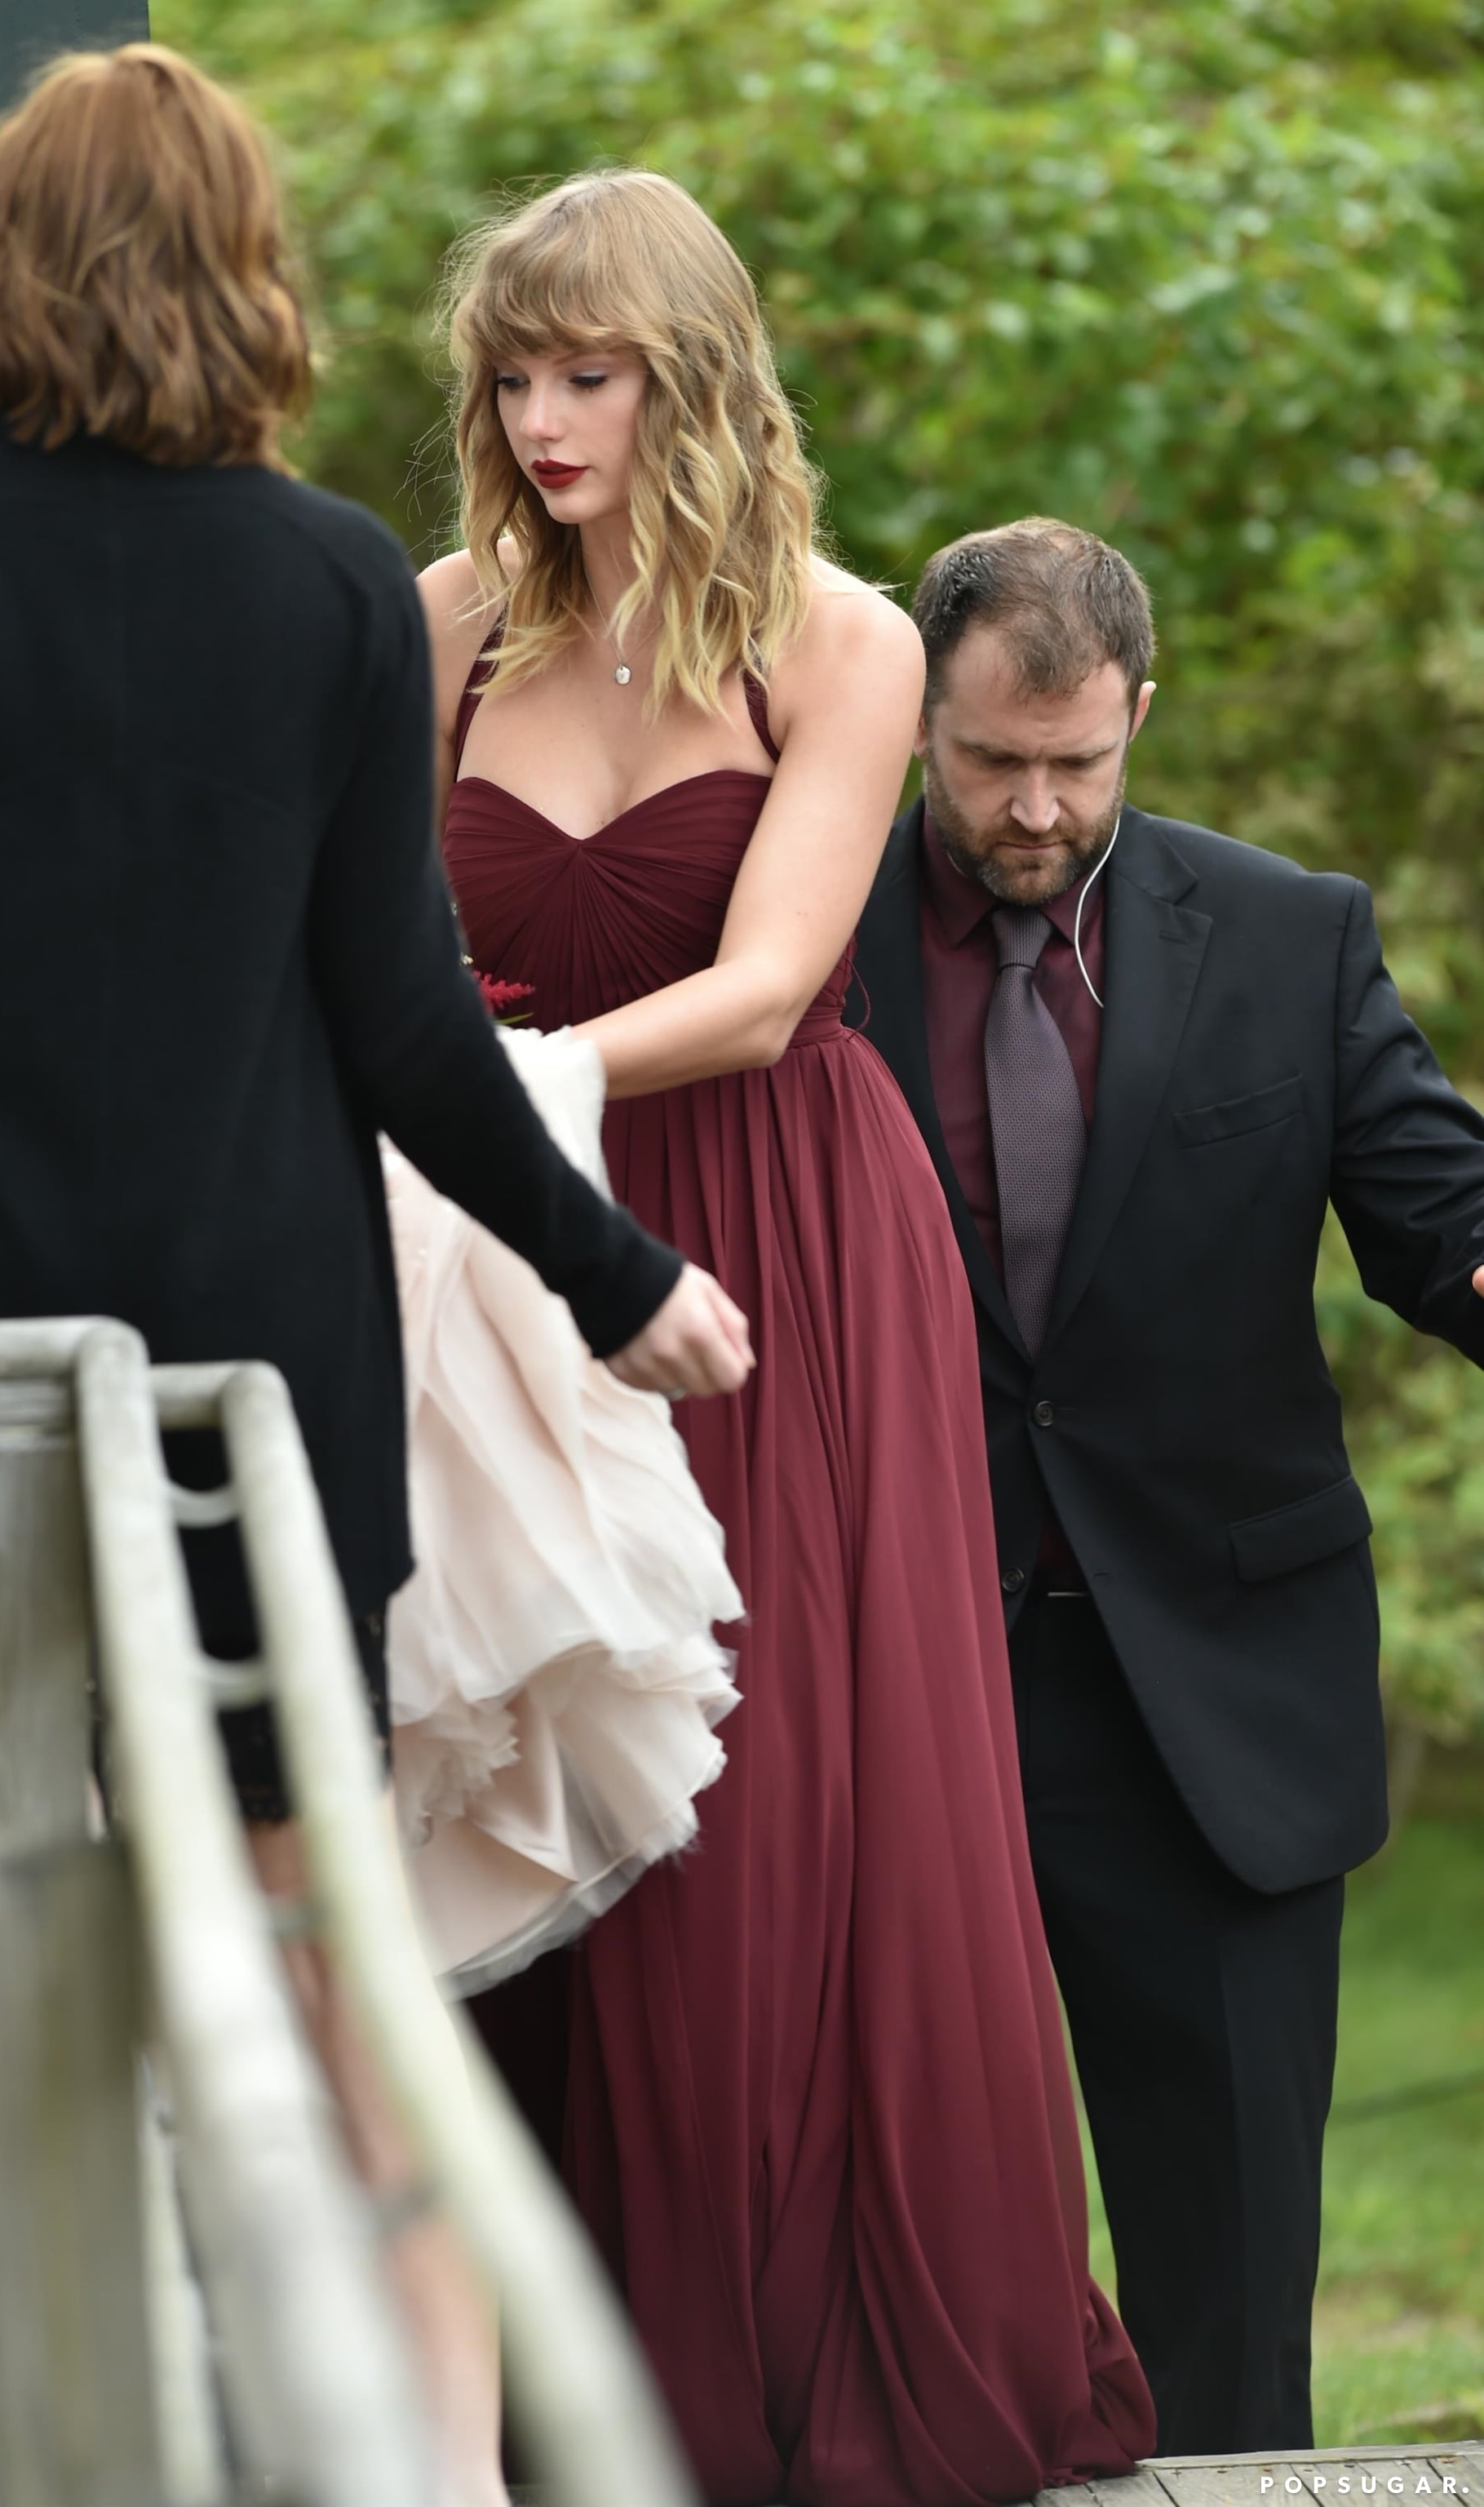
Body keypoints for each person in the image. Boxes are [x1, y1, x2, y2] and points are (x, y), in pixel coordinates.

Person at [0, 51, 751, 2507]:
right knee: (312, 1961)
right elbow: (408, 1030)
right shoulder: (332, 581)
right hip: (252, 1397)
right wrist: (613, 1267)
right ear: (247, 267)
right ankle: (425, 2479)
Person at [420, 170, 1155, 2507]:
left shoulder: (832, 642)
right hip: (491, 1259)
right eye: (515, 373)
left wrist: (483, 1086)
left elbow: (757, 992)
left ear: (695, 374)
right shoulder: (426, 627)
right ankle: (526, 2404)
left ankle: (766, 2384)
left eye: (592, 370)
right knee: (507, 1765)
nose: (544, 417)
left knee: (754, 1803)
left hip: (772, 1260)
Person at [849, 515, 1484, 2453]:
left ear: (1141, 712)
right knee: (897, 2299)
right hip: (896, 1687)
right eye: (986, 765)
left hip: (1216, 1702)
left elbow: (1444, 1229)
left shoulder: (1292, 937)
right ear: (914, 721)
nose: (1033, 810)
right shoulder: (798, 946)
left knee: (1227, 2321)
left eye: (1077, 764)